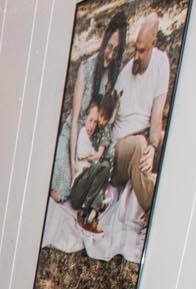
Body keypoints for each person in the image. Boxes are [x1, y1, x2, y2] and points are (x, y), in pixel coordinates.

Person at [52, 13, 127, 203]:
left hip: (90, 143)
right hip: (73, 137)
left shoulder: (113, 77)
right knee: (62, 193)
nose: (110, 55)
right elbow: (76, 119)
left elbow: (107, 123)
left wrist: (99, 152)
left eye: (115, 51)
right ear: (104, 43)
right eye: (109, 47)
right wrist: (72, 162)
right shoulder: (86, 67)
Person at [109, 11, 173, 227]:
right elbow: (108, 122)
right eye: (135, 49)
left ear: (153, 44)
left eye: (141, 51)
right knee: (138, 145)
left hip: (142, 138)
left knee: (162, 140)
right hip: (119, 149)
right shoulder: (125, 75)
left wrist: (153, 147)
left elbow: (157, 117)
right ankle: (156, 204)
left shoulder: (161, 63)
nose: (136, 55)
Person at [66, 89, 120, 232]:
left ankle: (89, 216)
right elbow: (84, 155)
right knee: (104, 167)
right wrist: (89, 157)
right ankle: (87, 210)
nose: (94, 125)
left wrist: (92, 157)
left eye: (98, 121)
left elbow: (98, 154)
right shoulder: (83, 133)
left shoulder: (103, 131)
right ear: (86, 118)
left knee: (102, 175)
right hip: (79, 187)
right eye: (93, 120)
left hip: (88, 183)